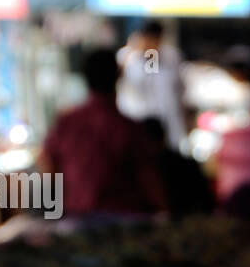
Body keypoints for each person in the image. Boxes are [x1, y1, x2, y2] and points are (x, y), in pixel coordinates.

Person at [39, 49, 167, 217]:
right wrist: (165, 213)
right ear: (118, 77)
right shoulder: (128, 128)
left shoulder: (66, 123)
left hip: (75, 219)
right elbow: (148, 180)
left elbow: (48, 167)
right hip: (124, 223)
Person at [117, 20, 188, 151]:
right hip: (137, 121)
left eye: (155, 40)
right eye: (148, 39)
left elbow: (180, 90)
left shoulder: (171, 56)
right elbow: (118, 76)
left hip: (166, 124)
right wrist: (133, 50)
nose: (151, 44)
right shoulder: (128, 57)